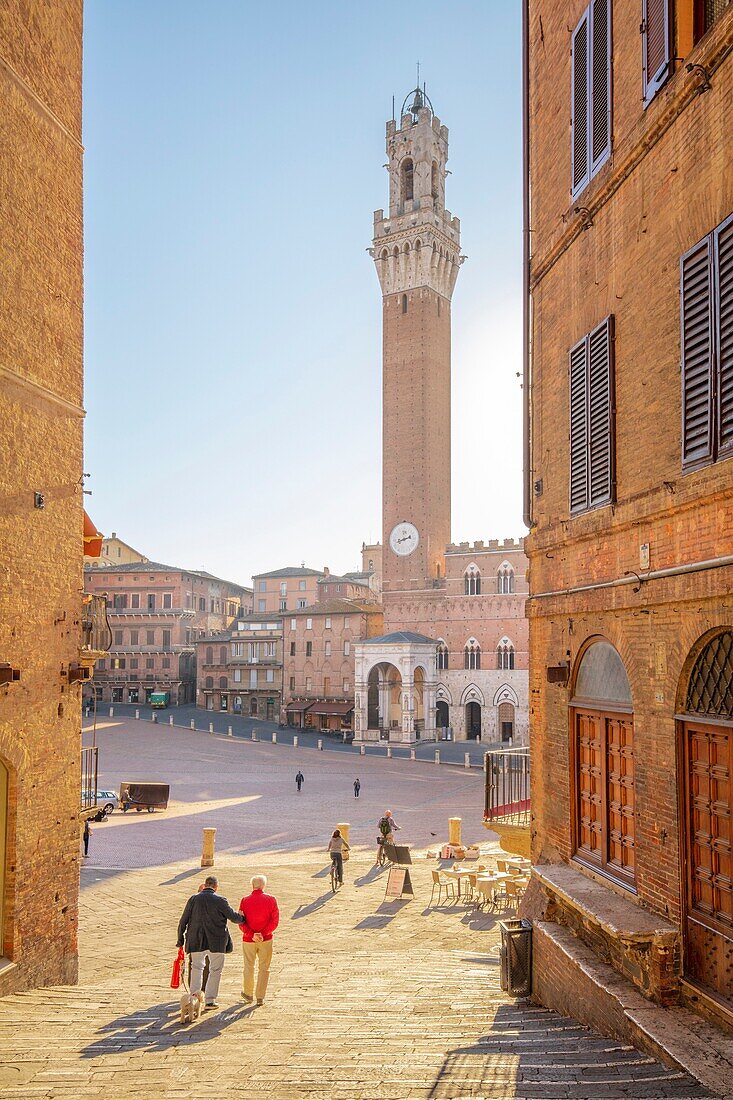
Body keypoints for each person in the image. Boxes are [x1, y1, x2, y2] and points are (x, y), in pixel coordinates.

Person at [176, 875, 243, 1009]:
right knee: (215, 970)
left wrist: (180, 939)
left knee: (196, 968)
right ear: (216, 887)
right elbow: (234, 918)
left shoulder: (193, 899)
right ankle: (210, 1000)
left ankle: (194, 998)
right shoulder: (221, 900)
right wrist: (242, 917)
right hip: (216, 941)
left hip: (195, 940)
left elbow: (183, 921)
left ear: (205, 885)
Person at [238, 874, 280, 1006]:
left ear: (252, 886)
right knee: (264, 967)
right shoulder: (271, 900)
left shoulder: (244, 901)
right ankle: (260, 996)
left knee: (248, 966)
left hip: (248, 940)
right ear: (263, 886)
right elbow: (275, 920)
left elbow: (241, 921)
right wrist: (263, 933)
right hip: (266, 939)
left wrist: (252, 934)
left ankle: (248, 993)